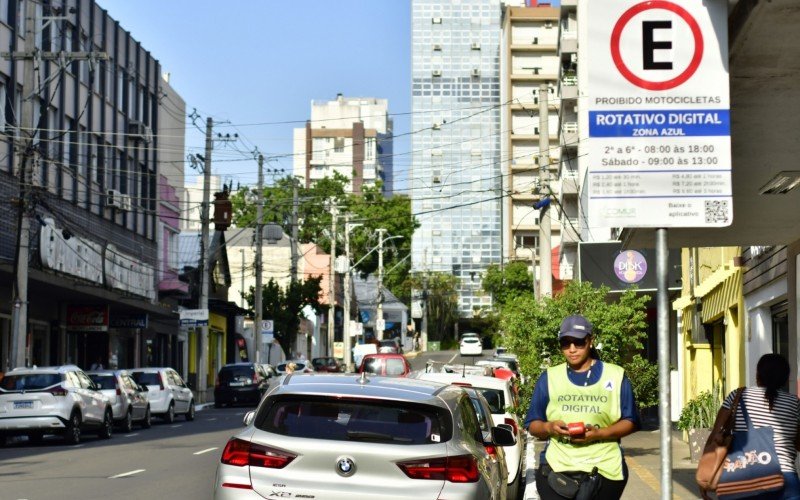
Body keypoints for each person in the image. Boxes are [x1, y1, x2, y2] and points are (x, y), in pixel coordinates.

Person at [525, 314, 640, 500]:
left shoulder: (615, 375)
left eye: (578, 343)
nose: (571, 349)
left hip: (604, 469)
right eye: (565, 343)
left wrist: (598, 434)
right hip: (557, 468)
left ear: (590, 341)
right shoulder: (549, 377)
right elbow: (532, 424)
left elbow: (631, 421)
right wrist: (549, 427)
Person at [714, 353, 800, 499]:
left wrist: (707, 475)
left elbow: (715, 436)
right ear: (786, 378)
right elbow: (798, 445)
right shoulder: (794, 403)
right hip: (785, 478)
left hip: (741, 477)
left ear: (758, 375)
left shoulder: (738, 396)